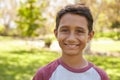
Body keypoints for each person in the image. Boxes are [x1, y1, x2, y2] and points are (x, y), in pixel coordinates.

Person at [32, 3, 109, 80]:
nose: (71, 38)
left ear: (89, 36)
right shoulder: (44, 75)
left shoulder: (100, 76)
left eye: (79, 31)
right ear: (56, 34)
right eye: (65, 30)